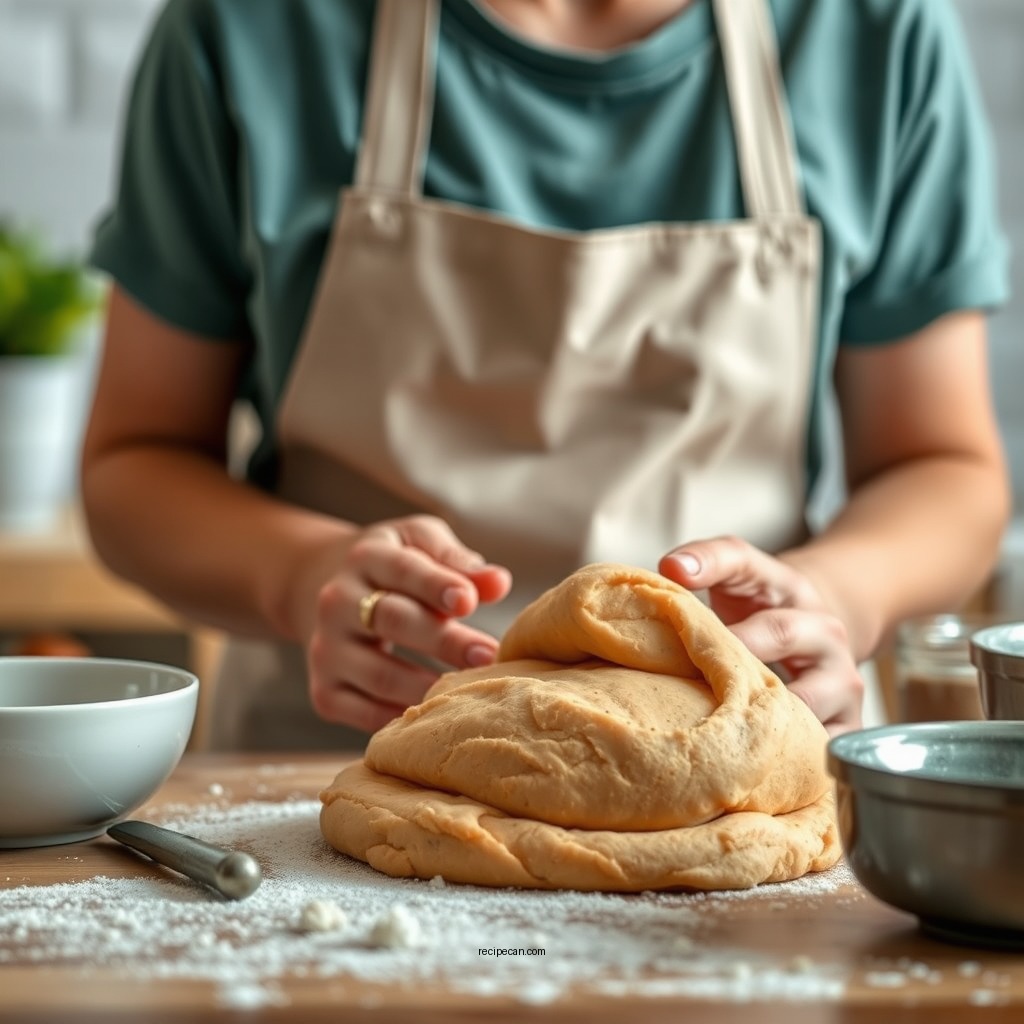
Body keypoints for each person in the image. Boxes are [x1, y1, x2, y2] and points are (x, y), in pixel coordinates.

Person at [81, 0, 1012, 750]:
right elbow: (137, 462)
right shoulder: (248, 30)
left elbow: (942, 467)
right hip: (334, 769)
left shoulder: (873, 31)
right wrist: (300, 576)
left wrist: (837, 598)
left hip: (738, 761)